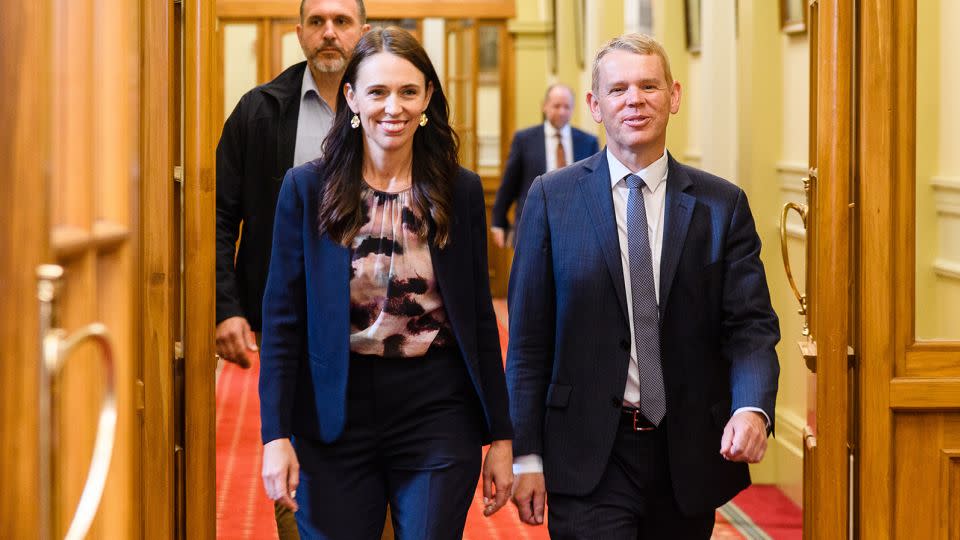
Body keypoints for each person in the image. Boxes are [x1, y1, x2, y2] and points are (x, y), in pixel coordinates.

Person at [506, 33, 780, 538]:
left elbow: (751, 328)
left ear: (673, 96)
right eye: (619, 89)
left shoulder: (723, 206)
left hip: (688, 454)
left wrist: (752, 406)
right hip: (587, 452)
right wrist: (526, 455)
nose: (635, 100)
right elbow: (527, 342)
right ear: (595, 105)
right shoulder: (551, 199)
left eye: (649, 86)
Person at [258, 27, 514, 539]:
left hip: (436, 407)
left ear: (427, 100)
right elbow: (283, 321)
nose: (392, 107)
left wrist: (503, 437)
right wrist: (274, 435)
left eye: (407, 92)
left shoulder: (457, 190)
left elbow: (479, 320)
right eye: (377, 92)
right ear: (351, 97)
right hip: (334, 409)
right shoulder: (307, 188)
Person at [215, 1, 369, 537]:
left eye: (342, 22)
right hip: (294, 327)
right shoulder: (260, 111)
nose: (329, 33)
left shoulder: (391, 105)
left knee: (383, 467)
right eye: (317, 22)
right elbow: (220, 214)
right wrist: (227, 306)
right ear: (299, 32)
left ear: (362, 31)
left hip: (382, 327)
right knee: (298, 471)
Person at [490, 84, 599, 248]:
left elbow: (595, 186)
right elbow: (509, 183)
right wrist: (498, 221)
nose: (562, 111)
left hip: (575, 226)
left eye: (567, 107)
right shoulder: (524, 139)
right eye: (556, 106)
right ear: (545, 106)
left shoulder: (588, 142)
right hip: (533, 224)